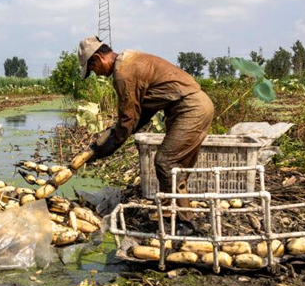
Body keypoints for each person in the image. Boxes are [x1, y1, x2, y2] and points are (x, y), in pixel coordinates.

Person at [78, 36, 214, 233]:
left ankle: (182, 223)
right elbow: (141, 114)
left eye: (92, 70)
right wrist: (104, 140)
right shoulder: (130, 60)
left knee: (165, 162)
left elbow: (127, 121)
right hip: (195, 105)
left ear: (98, 59)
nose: (95, 74)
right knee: (176, 169)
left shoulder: (123, 73)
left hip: (190, 108)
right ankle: (176, 214)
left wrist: (102, 150)